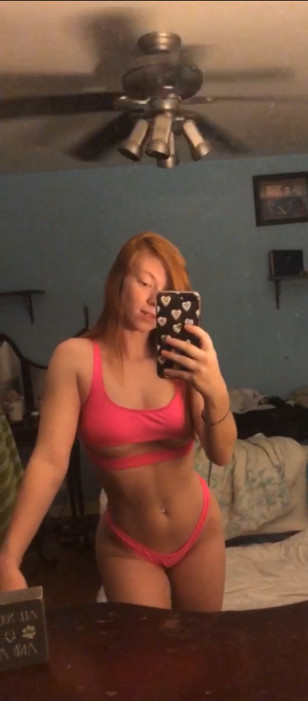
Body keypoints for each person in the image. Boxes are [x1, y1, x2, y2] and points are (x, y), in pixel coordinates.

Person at [0, 232, 237, 612]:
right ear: (118, 281)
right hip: (129, 546)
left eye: (165, 292)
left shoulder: (182, 358)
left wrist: (216, 391)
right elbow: (49, 460)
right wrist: (8, 558)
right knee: (146, 650)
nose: (153, 300)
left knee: (204, 644)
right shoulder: (74, 359)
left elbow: (222, 454)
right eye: (144, 283)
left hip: (199, 534)